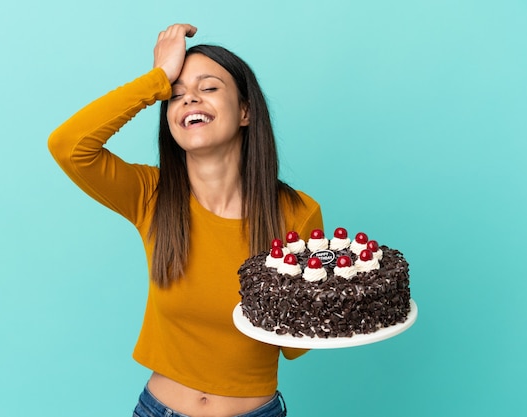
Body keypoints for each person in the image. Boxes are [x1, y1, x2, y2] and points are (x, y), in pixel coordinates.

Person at [48, 23, 323, 417]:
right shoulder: (151, 195)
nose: (189, 98)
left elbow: (296, 345)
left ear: (245, 111)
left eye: (209, 88)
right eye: (175, 96)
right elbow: (68, 147)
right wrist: (156, 79)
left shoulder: (297, 212)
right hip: (159, 409)